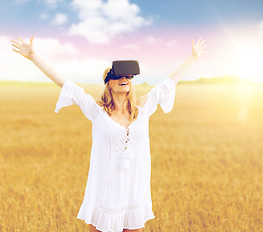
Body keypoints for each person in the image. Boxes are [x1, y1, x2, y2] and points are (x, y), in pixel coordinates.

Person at [12, 36, 206, 232]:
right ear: (109, 84)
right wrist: (33, 56)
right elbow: (65, 84)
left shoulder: (143, 108)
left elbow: (168, 83)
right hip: (106, 191)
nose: (124, 79)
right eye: (118, 76)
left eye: (128, 77)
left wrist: (193, 57)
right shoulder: (97, 111)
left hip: (134, 188)